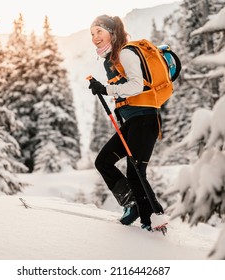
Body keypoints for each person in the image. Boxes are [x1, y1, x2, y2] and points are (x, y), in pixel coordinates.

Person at [88, 15, 164, 231]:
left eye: (99, 32)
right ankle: (132, 204)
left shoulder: (126, 53)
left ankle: (152, 221)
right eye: (92, 34)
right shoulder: (110, 60)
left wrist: (107, 89)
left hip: (145, 119)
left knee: (136, 171)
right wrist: (103, 88)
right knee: (103, 161)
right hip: (132, 121)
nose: (94, 38)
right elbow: (123, 90)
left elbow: (136, 86)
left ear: (112, 32)